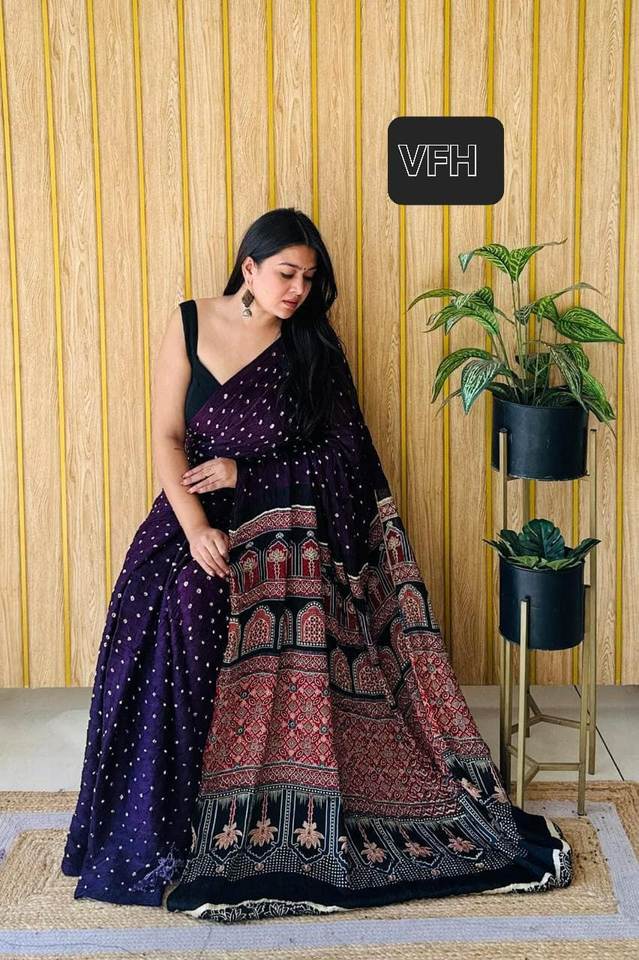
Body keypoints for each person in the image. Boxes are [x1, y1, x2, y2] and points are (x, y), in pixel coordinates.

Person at [62, 207, 572, 920]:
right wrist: (196, 525)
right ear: (248, 268)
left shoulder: (313, 347)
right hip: (191, 513)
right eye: (286, 274)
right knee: (170, 597)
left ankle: (219, 824)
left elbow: (344, 460)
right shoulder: (189, 322)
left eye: (308, 278)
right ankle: (159, 827)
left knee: (211, 605)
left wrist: (248, 475)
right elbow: (167, 437)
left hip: (286, 523)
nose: (297, 290)